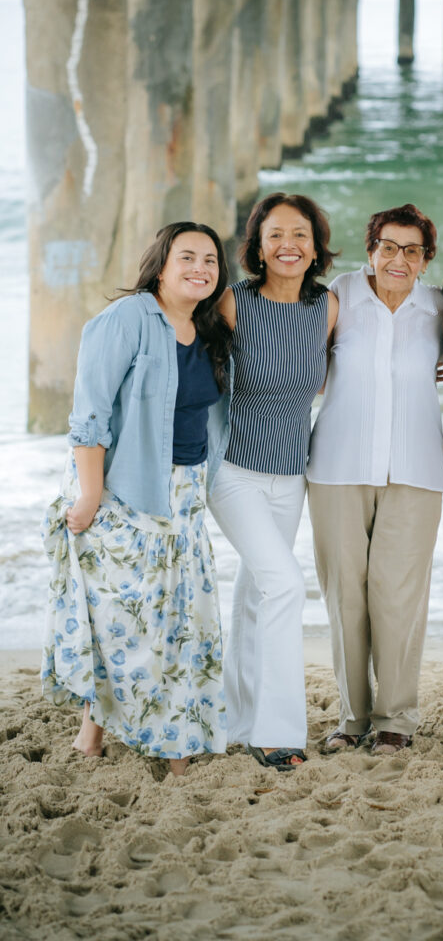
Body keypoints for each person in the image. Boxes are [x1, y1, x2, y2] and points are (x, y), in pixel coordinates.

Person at [42, 222, 233, 775]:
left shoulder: (207, 327)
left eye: (211, 261)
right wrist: (91, 493)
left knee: (177, 618)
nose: (200, 269)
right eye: (187, 258)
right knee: (123, 619)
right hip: (126, 490)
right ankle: (95, 730)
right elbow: (89, 413)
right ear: (160, 264)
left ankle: (168, 737)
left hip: (187, 494)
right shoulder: (127, 319)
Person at [307, 204, 443, 756]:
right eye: (388, 246)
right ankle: (352, 718)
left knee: (398, 597)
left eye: (412, 250)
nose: (398, 259)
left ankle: (396, 720)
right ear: (370, 249)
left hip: (415, 469)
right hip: (338, 468)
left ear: (425, 260)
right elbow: (300, 365)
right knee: (346, 596)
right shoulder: (338, 296)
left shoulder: (438, 308)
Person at [208, 192, 338, 772]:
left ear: (316, 246)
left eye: (300, 235)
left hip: (292, 476)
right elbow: (185, 358)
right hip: (233, 471)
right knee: (285, 586)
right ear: (258, 247)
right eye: (276, 235)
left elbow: (348, 370)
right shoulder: (234, 304)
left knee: (255, 596)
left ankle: (237, 719)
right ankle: (277, 733)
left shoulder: (327, 307)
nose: (289, 245)